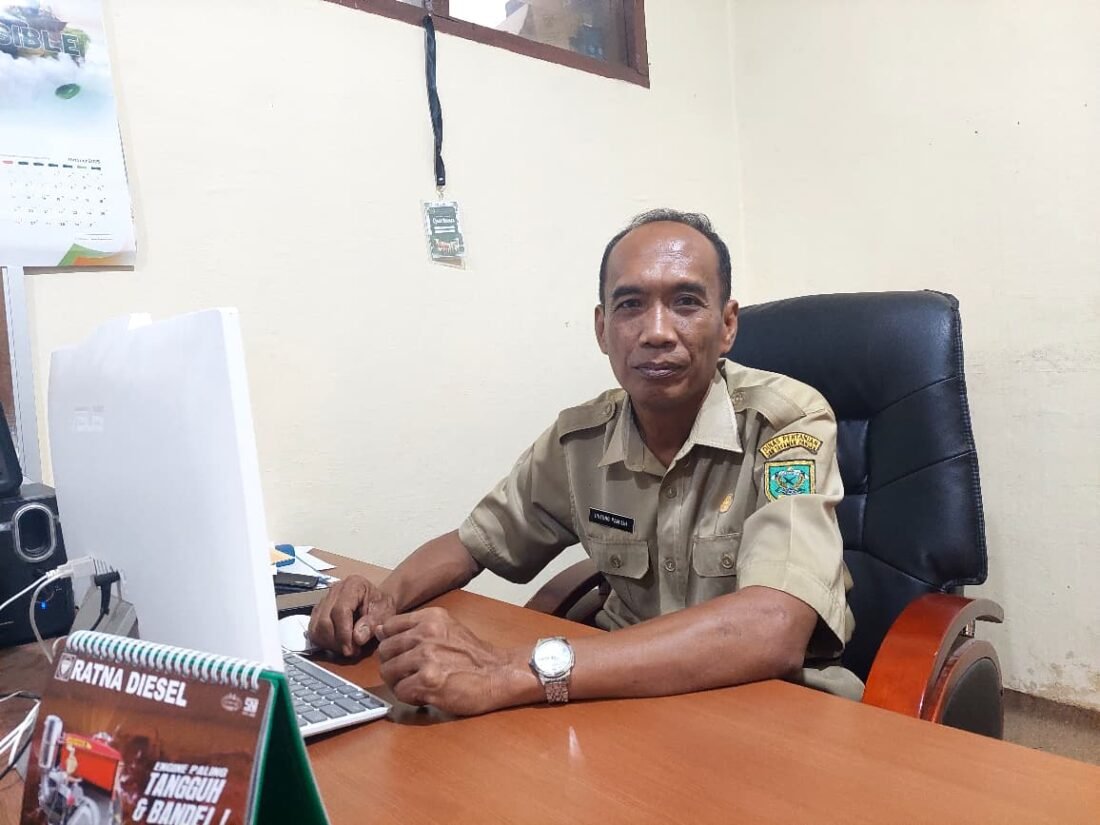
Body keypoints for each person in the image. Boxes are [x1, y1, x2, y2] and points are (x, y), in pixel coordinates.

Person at [309, 208, 862, 715]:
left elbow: (774, 625)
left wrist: (512, 670)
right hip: (621, 703)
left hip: (769, 707)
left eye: (687, 302)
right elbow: (474, 543)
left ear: (728, 325)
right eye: (631, 305)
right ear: (602, 329)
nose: (657, 332)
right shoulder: (581, 441)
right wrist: (383, 600)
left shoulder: (786, 424)